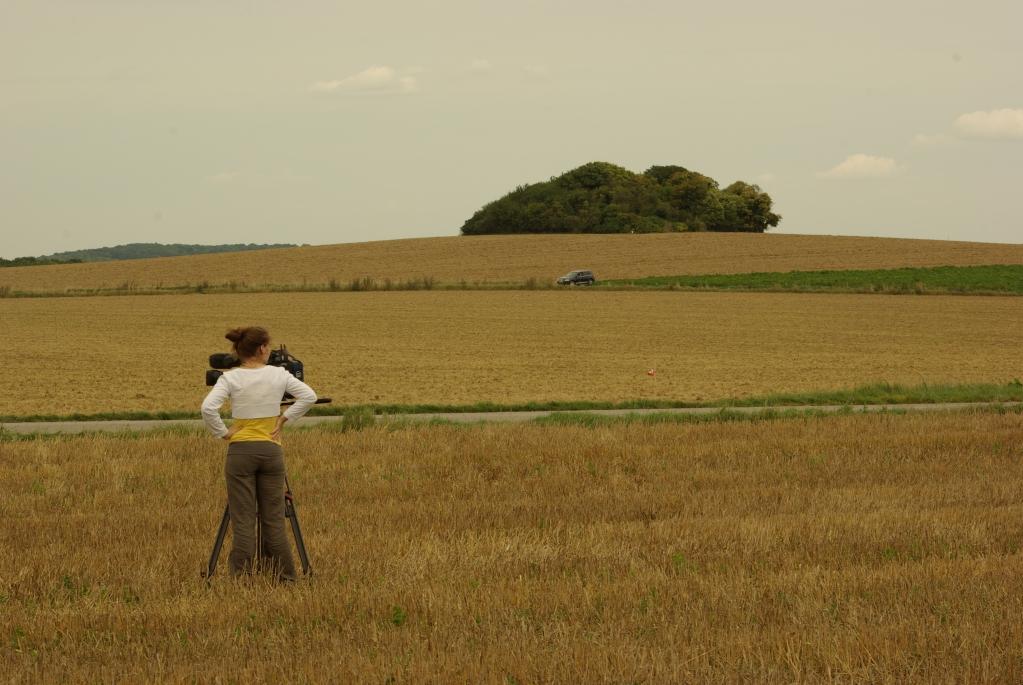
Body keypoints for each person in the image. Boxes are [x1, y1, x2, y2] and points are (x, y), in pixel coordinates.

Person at [200, 326, 317, 583]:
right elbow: (309, 396)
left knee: (242, 520)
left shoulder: (230, 378)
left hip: (240, 453)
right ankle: (286, 577)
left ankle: (242, 579)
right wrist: (284, 419)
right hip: (271, 452)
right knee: (274, 519)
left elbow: (208, 408)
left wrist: (223, 433)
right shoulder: (278, 374)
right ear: (263, 348)